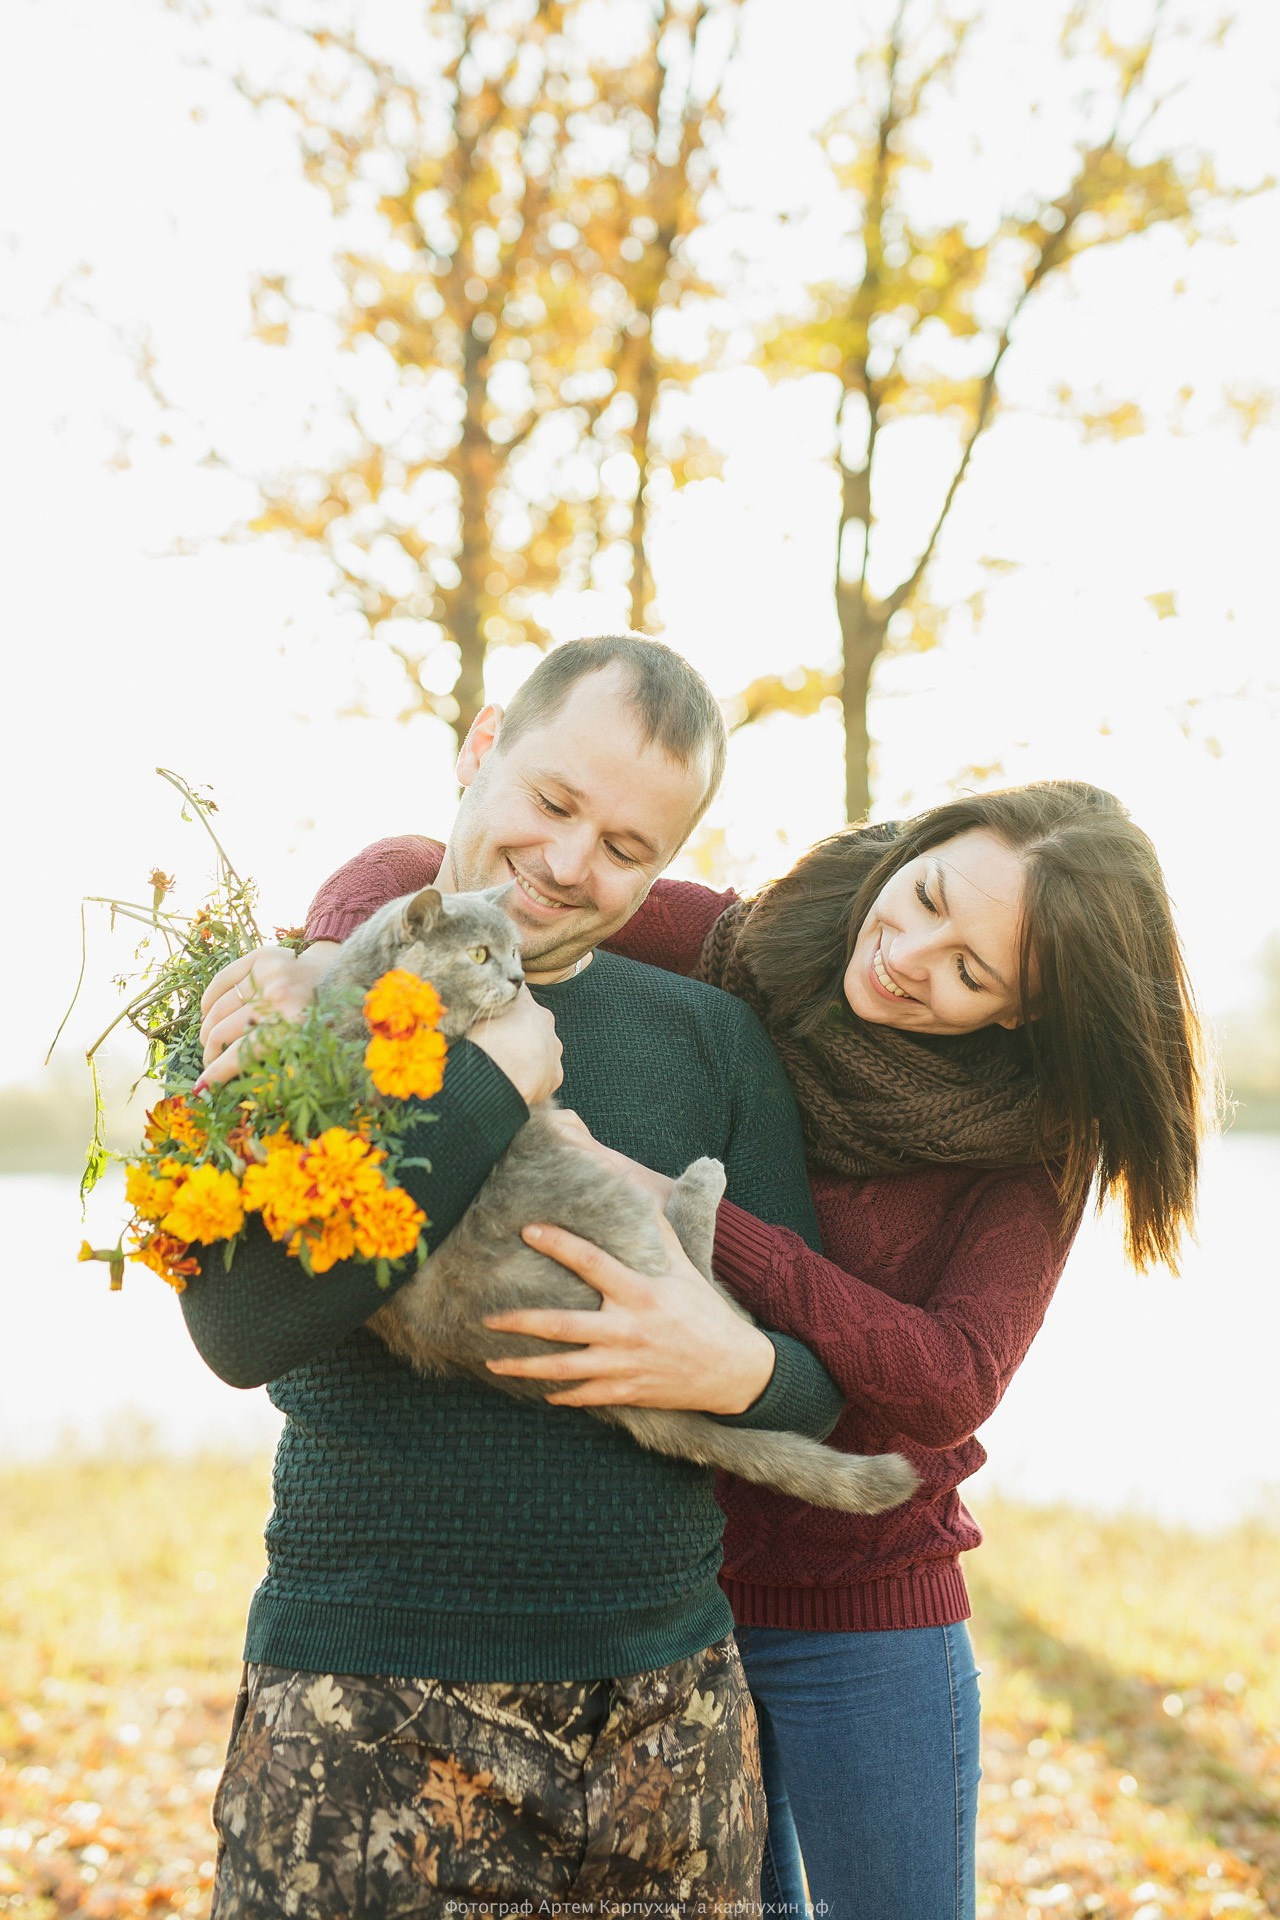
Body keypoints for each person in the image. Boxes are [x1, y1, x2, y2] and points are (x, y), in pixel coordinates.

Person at [311, 781, 1207, 1920]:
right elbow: (416, 870)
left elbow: (950, 1380)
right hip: (670, 1603)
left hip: (863, 1601)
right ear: (909, 850)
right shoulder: (744, 948)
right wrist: (317, 977)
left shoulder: (1030, 1141)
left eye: (969, 971)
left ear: (1025, 1013)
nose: (907, 955)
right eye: (923, 896)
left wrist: (707, 1223)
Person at [185, 634, 852, 1916]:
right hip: (361, 1711)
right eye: (552, 803)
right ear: (481, 746)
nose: (566, 864)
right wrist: (490, 1081)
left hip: (666, 1727)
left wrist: (743, 1368)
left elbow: (818, 1383)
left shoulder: (706, 1040)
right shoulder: (293, 1013)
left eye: (625, 847)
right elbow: (243, 1323)